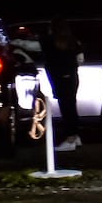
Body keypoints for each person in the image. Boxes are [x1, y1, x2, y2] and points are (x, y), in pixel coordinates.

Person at [39, 18, 86, 149]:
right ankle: (75, 137)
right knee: (71, 106)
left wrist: (17, 41)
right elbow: (81, 59)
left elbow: (34, 46)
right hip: (72, 77)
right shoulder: (73, 41)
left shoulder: (50, 41)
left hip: (60, 78)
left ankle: (70, 139)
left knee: (66, 108)